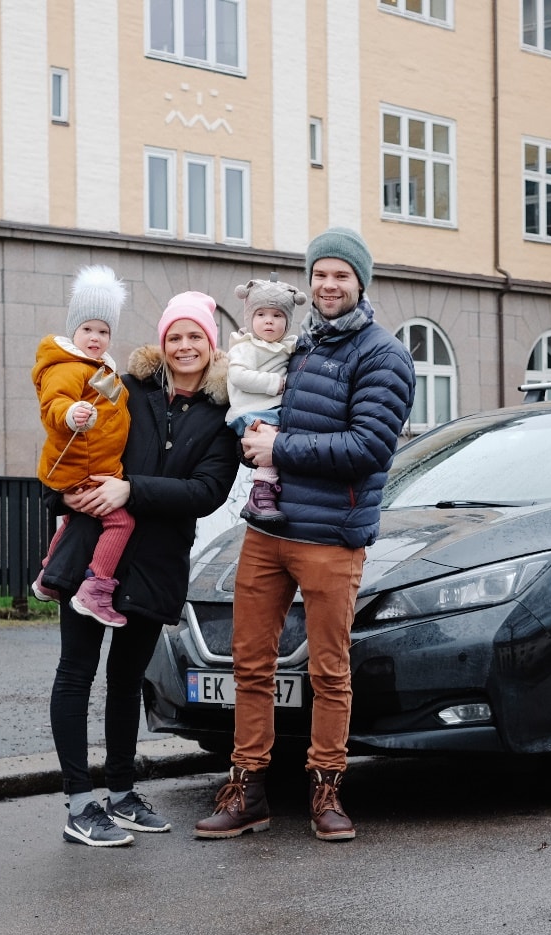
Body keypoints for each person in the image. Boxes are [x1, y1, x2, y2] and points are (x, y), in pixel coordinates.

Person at [195, 227, 415, 842]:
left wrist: (279, 447)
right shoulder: (299, 346)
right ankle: (248, 789)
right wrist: (253, 444)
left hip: (331, 535)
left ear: (361, 283)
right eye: (320, 274)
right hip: (268, 529)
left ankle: (327, 790)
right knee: (251, 665)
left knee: (328, 671)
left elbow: (370, 448)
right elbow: (261, 417)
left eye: (341, 275)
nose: (328, 284)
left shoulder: (382, 355)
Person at [43, 289, 239, 847]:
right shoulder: (127, 391)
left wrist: (130, 489)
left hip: (155, 561)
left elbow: (206, 491)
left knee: (127, 681)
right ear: (161, 343)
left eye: (194, 336)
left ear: (210, 344)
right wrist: (64, 498)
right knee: (76, 671)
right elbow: (71, 438)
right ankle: (80, 802)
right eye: (174, 336)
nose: (183, 346)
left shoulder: (221, 416)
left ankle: (122, 793)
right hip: (93, 551)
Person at [30, 264, 134, 628]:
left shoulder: (102, 368)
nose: (95, 337)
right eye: (87, 328)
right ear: (73, 329)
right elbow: (53, 403)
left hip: (95, 464)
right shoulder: (69, 366)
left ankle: (47, 576)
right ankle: (97, 587)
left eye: (103, 331)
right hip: (83, 466)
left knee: (76, 516)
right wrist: (72, 412)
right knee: (120, 521)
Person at [225, 278, 305, 523]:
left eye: (277, 315)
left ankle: (273, 490)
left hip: (272, 410)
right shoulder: (246, 347)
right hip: (251, 412)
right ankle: (261, 493)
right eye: (261, 314)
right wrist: (274, 384)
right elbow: (238, 375)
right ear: (250, 319)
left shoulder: (287, 347)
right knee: (270, 441)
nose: (269, 320)